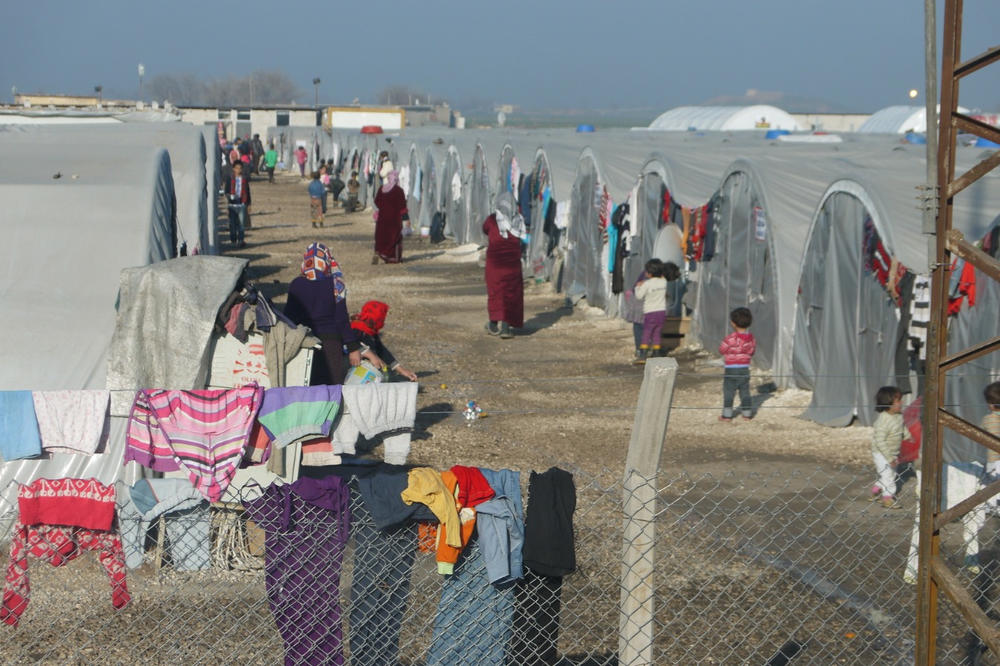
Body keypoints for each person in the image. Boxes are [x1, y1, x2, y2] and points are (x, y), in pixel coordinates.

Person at [284, 243, 361, 384]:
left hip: (304, 343)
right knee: (330, 388)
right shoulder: (336, 284)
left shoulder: (296, 284)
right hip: (331, 344)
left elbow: (289, 317)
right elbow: (341, 319)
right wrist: (353, 348)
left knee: (308, 387)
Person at [482, 192, 525, 339]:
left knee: (495, 293)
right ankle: (506, 327)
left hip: (495, 265)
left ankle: (493, 324)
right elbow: (523, 237)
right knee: (510, 294)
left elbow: (485, 229)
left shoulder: (492, 220)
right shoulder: (518, 220)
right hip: (512, 266)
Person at [349, 300, 418, 382]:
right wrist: (371, 356)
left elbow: (381, 351)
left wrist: (400, 369)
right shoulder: (357, 330)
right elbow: (351, 344)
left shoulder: (370, 331)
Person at [718, 307, 755, 421]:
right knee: (745, 391)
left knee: (729, 392)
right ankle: (747, 414)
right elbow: (751, 352)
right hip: (744, 369)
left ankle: (727, 415)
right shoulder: (751, 339)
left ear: (733, 323)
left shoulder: (729, 339)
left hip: (731, 369)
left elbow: (722, 350)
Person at [870, 386, 904, 508]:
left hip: (893, 451)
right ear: (888, 403)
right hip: (881, 453)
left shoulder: (898, 416)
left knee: (890, 474)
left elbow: (902, 427)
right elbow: (880, 441)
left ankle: (876, 490)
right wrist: (889, 458)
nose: (901, 403)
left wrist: (907, 436)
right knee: (888, 476)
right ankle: (887, 498)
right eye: (898, 401)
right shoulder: (883, 420)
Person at [632, 259, 667, 365]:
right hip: (661, 312)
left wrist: (638, 286)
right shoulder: (663, 282)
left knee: (647, 333)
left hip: (650, 312)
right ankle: (656, 352)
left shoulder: (647, 284)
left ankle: (643, 353)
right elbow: (663, 278)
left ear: (649, 273)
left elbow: (639, 296)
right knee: (657, 332)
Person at [372, 170, 407, 264]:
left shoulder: (382, 189)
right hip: (394, 219)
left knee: (382, 236)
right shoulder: (399, 190)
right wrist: (405, 218)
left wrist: (384, 208)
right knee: (393, 237)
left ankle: (379, 252)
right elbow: (403, 206)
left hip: (382, 218)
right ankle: (392, 257)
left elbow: (376, 201)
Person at [223, 161, 250, 248]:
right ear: (233, 169)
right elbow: (226, 191)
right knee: (232, 224)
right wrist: (229, 197)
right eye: (237, 168)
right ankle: (233, 239)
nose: (239, 170)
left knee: (241, 224)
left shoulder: (244, 179)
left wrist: (249, 204)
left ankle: (241, 240)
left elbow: (247, 192)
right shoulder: (230, 179)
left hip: (241, 204)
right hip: (232, 205)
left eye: (240, 168)